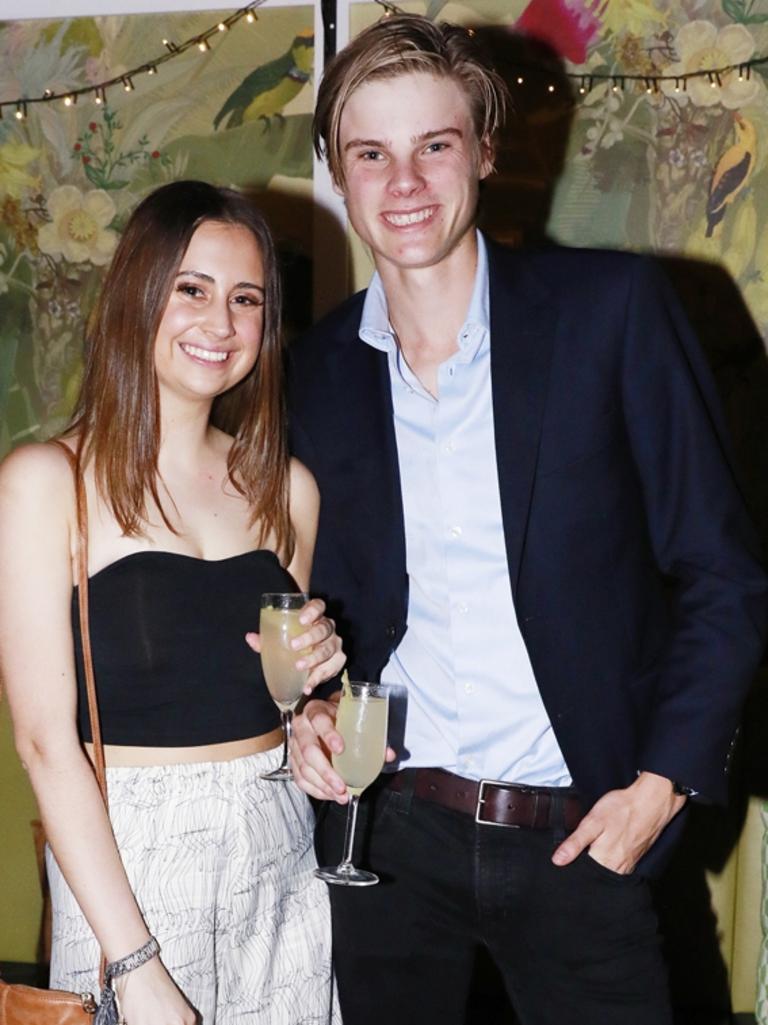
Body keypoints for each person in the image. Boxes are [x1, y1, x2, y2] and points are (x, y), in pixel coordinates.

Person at [287, 14, 768, 1025]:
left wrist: (663, 784)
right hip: (392, 841)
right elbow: (307, 592)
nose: (404, 182)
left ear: (487, 151)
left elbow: (722, 573)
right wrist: (308, 709)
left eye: (436, 145)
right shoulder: (317, 369)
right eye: (371, 153)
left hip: (580, 835)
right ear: (337, 168)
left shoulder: (613, 313)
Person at [0, 180, 344, 1025]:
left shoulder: (285, 490)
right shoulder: (47, 484)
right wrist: (137, 961)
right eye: (192, 289)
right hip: (132, 869)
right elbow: (46, 742)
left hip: (282, 857)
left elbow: (280, 693)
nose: (220, 323)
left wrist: (312, 711)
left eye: (246, 299)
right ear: (138, 295)